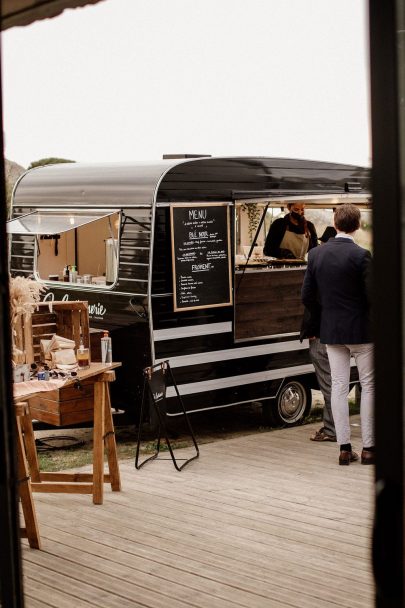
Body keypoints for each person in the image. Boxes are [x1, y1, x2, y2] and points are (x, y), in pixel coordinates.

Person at [301, 204, 374, 466]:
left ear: (335, 222)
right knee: (368, 387)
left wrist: (328, 313)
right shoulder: (361, 255)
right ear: (357, 225)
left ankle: (344, 448)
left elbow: (306, 296)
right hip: (362, 332)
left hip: (331, 332)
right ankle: (369, 448)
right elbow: (372, 296)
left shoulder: (316, 254)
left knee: (339, 388)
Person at [300, 226, 338, 442]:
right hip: (345, 333)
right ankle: (337, 429)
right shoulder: (354, 260)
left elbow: (307, 297)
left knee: (328, 382)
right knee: (338, 382)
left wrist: (311, 329)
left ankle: (332, 429)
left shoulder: (317, 262)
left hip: (322, 333)